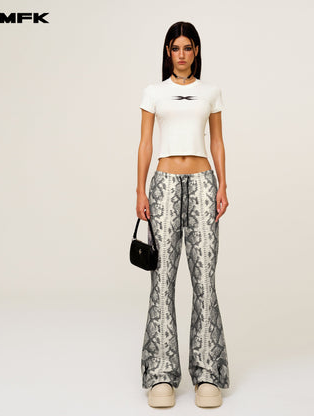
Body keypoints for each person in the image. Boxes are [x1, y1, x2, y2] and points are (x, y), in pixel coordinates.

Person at [136, 21, 230, 408]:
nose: (181, 54)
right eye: (175, 48)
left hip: (204, 184)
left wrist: (223, 185)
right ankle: (161, 375)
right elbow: (145, 143)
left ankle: (207, 374)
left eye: (187, 48)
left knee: (205, 278)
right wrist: (139, 190)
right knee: (162, 280)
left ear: (196, 51)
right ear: (167, 52)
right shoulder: (154, 92)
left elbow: (217, 140)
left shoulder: (211, 92)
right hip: (164, 186)